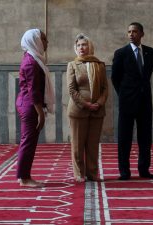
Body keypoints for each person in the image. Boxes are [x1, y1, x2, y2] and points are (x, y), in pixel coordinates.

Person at [111, 22, 153, 180]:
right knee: (125, 137)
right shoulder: (121, 53)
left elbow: (146, 75)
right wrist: (123, 94)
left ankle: (144, 170)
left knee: (145, 137)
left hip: (145, 101)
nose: (131, 34)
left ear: (142, 34)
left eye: (135, 31)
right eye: (129, 31)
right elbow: (115, 77)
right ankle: (124, 171)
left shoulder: (149, 52)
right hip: (127, 102)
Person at [16, 28, 55, 187]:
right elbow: (33, 91)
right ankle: (24, 178)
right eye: (43, 39)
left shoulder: (32, 58)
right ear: (35, 41)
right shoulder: (31, 62)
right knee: (28, 141)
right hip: (30, 105)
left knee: (29, 140)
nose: (47, 42)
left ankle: (23, 176)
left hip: (28, 103)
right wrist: (41, 114)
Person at [67, 33, 108, 182]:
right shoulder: (72, 65)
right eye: (78, 45)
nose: (81, 48)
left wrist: (99, 103)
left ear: (89, 46)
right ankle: (79, 174)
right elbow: (72, 90)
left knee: (92, 145)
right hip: (78, 110)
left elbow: (105, 89)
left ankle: (92, 173)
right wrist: (86, 104)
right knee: (77, 145)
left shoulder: (100, 65)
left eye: (84, 44)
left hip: (97, 110)